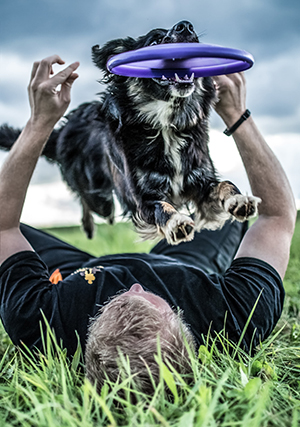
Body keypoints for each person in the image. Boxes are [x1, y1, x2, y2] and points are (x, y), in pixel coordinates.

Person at [0, 55, 296, 396]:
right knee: (231, 215)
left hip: (79, 273)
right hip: (186, 265)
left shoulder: (42, 322)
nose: (136, 286)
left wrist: (39, 122)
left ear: (86, 337)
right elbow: (276, 216)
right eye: (151, 297)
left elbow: (5, 228)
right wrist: (236, 114)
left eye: (117, 300)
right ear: (189, 333)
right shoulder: (234, 318)